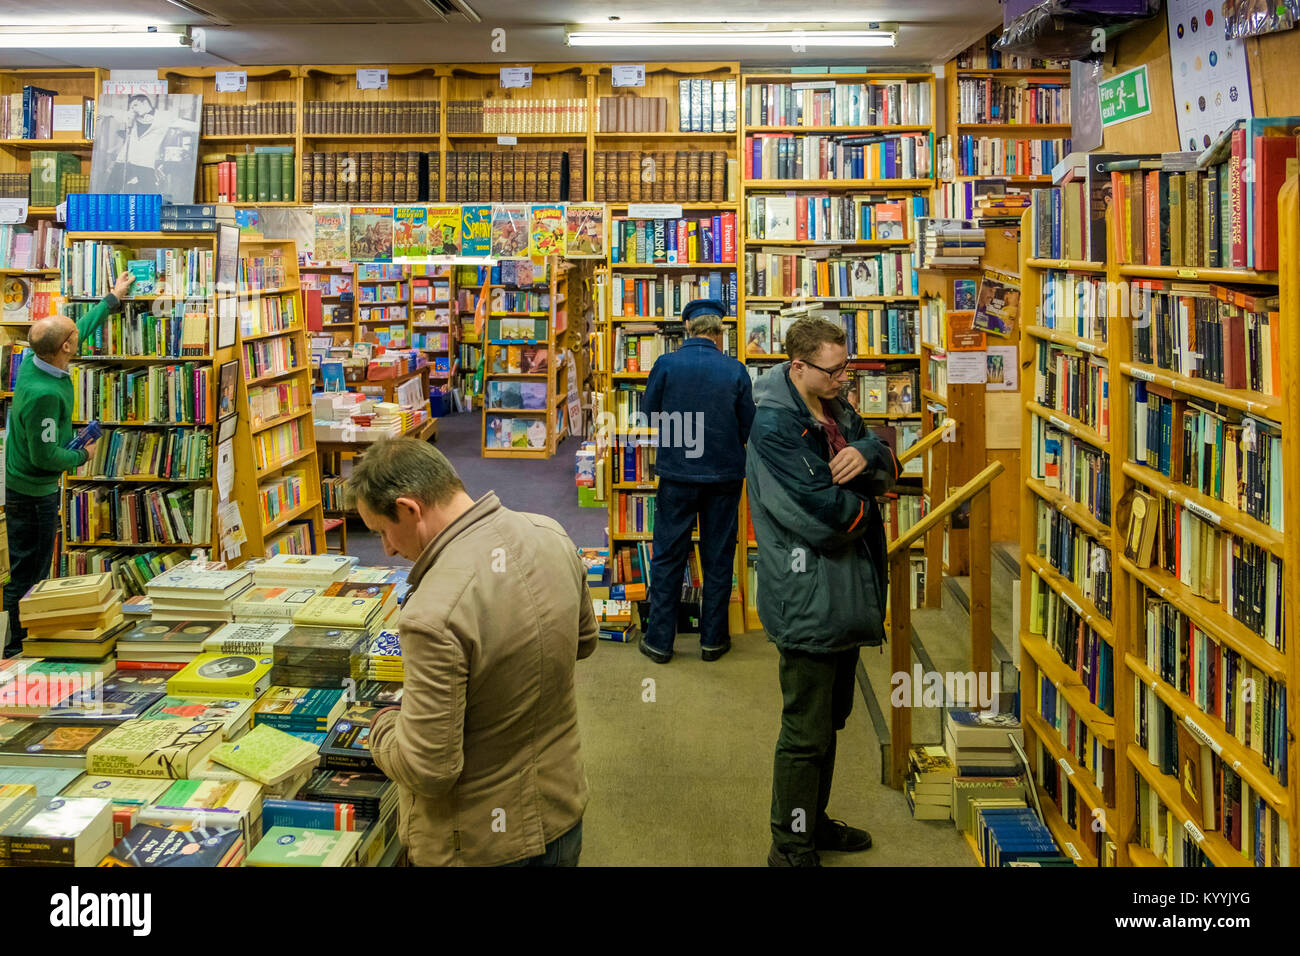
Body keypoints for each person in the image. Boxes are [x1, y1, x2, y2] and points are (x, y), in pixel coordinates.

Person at [348, 437, 597, 866]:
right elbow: (585, 641)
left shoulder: (433, 612)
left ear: (410, 509)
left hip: (481, 843)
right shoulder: (550, 533)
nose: (386, 548)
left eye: (382, 531)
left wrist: (381, 729)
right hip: (561, 807)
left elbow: (430, 769)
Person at [745, 315, 899, 867]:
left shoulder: (832, 406)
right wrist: (869, 507)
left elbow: (883, 455)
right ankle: (789, 847)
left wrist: (869, 455)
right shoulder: (774, 426)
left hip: (846, 592)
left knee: (831, 722)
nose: (844, 379)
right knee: (806, 730)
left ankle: (813, 821)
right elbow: (821, 514)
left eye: (847, 368)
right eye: (834, 371)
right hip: (809, 594)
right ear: (799, 367)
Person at [3, 271, 134, 655]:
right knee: (29, 575)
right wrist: (82, 455)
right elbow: (46, 456)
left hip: (23, 486)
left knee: (28, 570)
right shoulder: (44, 393)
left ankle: (21, 641)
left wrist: (111, 300)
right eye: (73, 339)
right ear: (64, 348)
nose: (79, 340)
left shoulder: (33, 358)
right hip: (33, 495)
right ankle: (15, 649)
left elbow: (80, 331)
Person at [638, 298, 754, 664]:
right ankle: (713, 641)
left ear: (687, 328)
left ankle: (659, 642)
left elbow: (648, 414)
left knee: (668, 556)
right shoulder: (736, 370)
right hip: (724, 476)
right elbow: (749, 424)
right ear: (720, 333)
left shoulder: (666, 364)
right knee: (718, 558)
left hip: (677, 474)